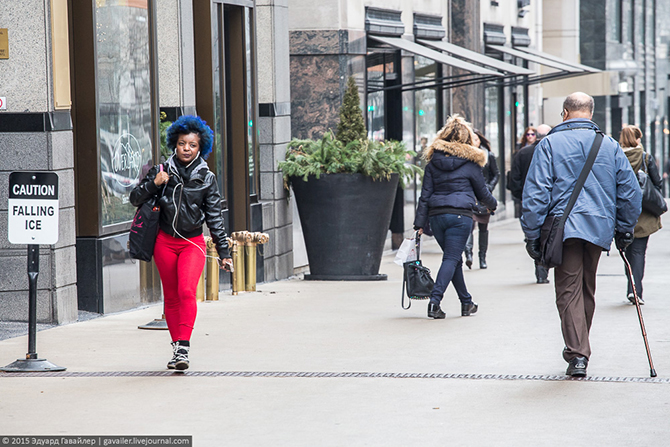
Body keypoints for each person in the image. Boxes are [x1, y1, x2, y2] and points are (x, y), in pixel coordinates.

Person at [521, 92, 641, 377]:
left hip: (565, 228)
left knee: (568, 289)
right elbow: (630, 191)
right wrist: (625, 227)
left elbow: (536, 193)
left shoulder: (549, 144)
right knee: (586, 286)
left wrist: (532, 234)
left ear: (564, 113)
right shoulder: (609, 145)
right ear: (591, 112)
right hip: (598, 227)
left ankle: (577, 354)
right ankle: (579, 346)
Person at [130, 115, 233, 371]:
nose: (187, 148)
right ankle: (177, 349)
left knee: (187, 291)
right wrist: (154, 184)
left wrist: (224, 252)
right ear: (174, 145)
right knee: (172, 295)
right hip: (164, 241)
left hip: (192, 242)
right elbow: (134, 198)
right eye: (182, 143)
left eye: (192, 145)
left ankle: (184, 345)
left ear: (201, 148)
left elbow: (215, 217)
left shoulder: (207, 178)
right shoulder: (162, 171)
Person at [414, 115, 497, 319]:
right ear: (466, 138)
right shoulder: (471, 164)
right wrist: (492, 205)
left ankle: (466, 302)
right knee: (451, 258)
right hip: (460, 217)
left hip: (437, 217)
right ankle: (435, 302)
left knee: (455, 260)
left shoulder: (433, 163)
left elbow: (424, 196)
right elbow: (483, 193)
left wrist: (419, 224)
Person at [619, 125, 662, 305]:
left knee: (627, 252)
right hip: (643, 215)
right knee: (638, 252)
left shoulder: (616, 157)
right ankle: (635, 289)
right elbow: (657, 183)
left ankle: (632, 286)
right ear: (637, 139)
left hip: (621, 213)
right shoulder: (645, 158)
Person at [510, 123, 552, 283]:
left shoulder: (523, 153)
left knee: (535, 233)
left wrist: (520, 196)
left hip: (528, 200)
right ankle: (543, 268)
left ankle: (541, 268)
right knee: (547, 233)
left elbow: (514, 179)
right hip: (548, 200)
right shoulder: (551, 152)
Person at [463, 130, 499, 269]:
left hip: (484, 196)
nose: (475, 141)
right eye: (472, 139)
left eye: (476, 139)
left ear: (480, 141)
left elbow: (496, 174)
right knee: (469, 226)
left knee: (483, 228)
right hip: (470, 196)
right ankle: (468, 255)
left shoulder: (488, 155)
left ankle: (482, 257)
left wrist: (490, 186)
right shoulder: (465, 156)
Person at [509, 126, 538, 218]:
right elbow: (514, 173)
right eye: (528, 134)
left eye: (532, 134)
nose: (530, 136)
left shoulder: (540, 149)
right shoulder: (520, 151)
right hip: (524, 189)